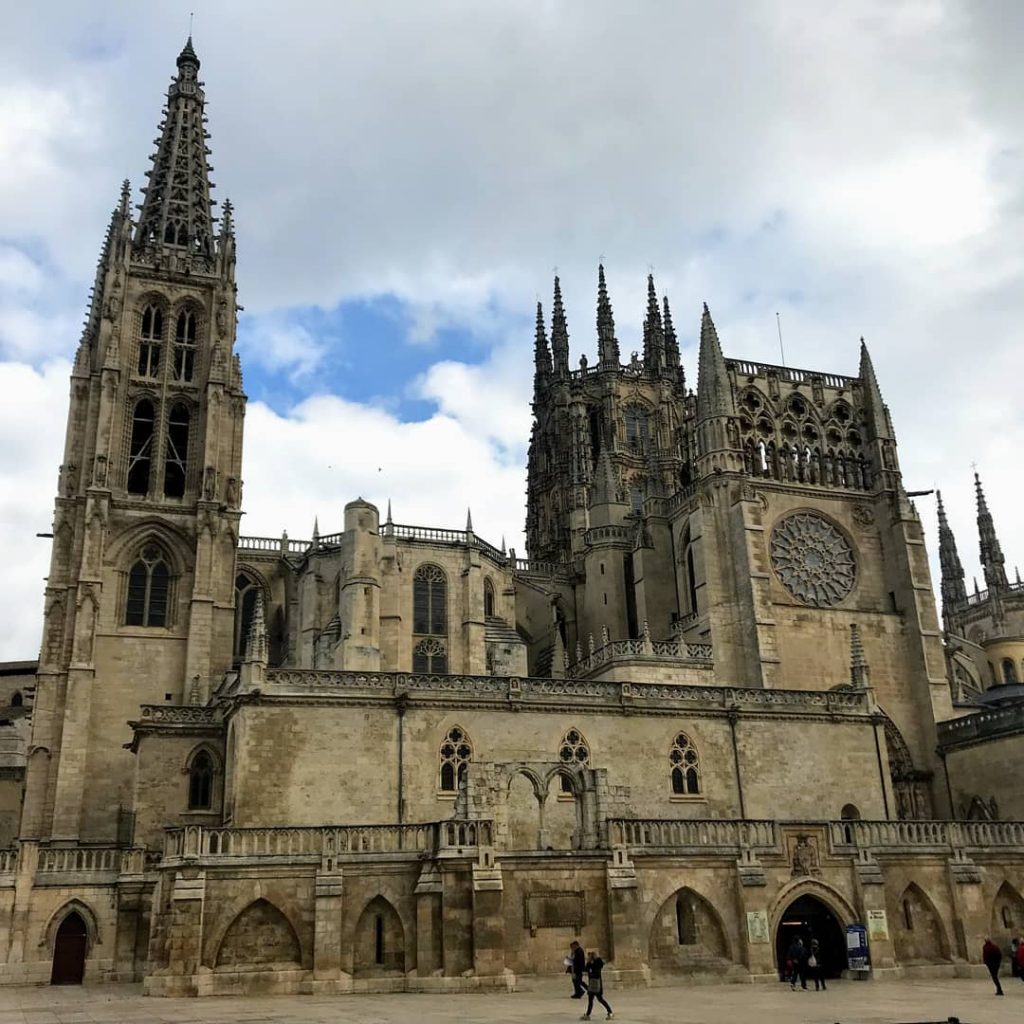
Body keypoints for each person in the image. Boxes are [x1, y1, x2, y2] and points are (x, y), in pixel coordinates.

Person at [581, 950, 613, 1020]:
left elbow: (597, 973)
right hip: (591, 983)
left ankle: (610, 1012)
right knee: (590, 1000)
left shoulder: (598, 962)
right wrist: (589, 964)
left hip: (597, 984)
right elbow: (586, 970)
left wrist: (590, 972)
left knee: (600, 999)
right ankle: (587, 1015)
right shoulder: (589, 963)